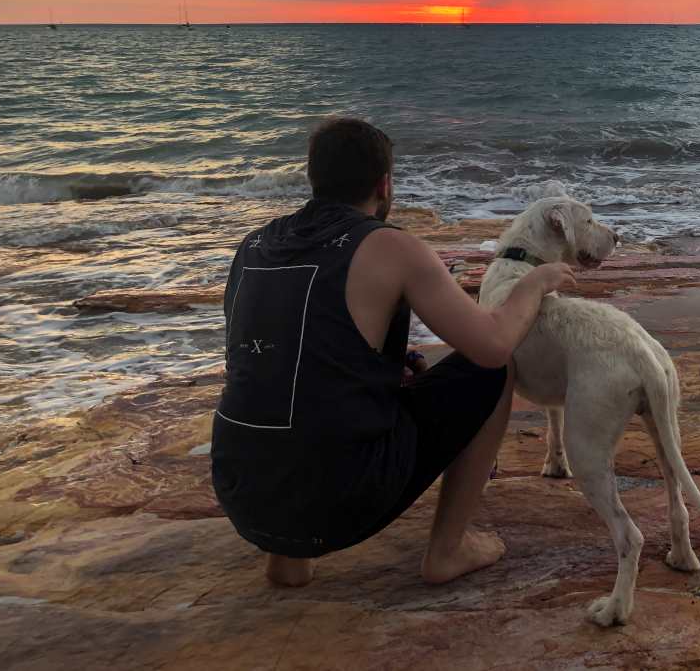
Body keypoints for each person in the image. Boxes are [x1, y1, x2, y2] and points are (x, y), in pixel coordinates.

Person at [210, 116, 574, 587]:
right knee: (494, 373)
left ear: (313, 178)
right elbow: (492, 345)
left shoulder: (253, 245)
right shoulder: (391, 246)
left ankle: (286, 560)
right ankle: (448, 550)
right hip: (340, 500)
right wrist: (534, 283)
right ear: (384, 184)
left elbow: (269, 355)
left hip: (241, 493)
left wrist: (382, 366)